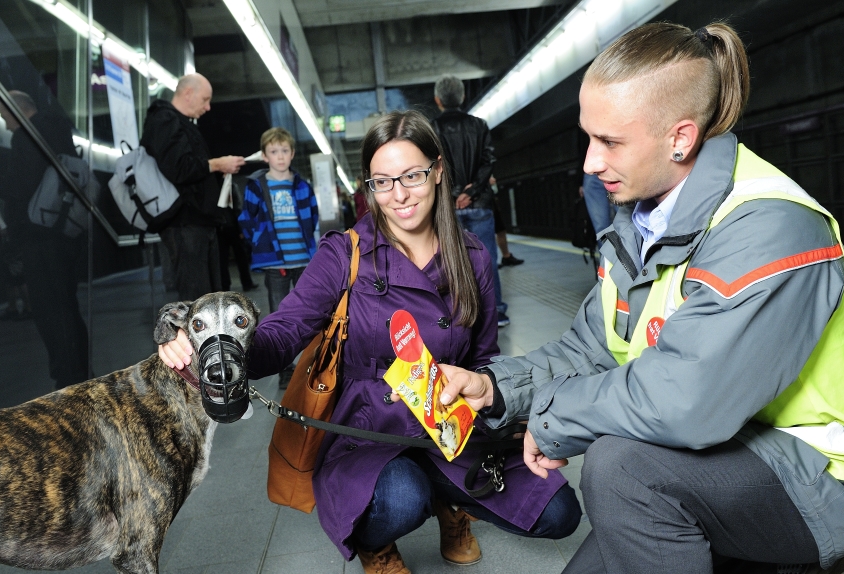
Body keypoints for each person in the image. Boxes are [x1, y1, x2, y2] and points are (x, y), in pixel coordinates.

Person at [439, 22, 844, 574]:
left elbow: (689, 398)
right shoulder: (640, 223)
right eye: (588, 138)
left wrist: (554, 418)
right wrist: (495, 389)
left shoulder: (770, 227)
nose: (589, 162)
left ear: (680, 138)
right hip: (722, 454)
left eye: (609, 142)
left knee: (620, 466)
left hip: (819, 475)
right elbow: (592, 350)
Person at [159, 111, 580, 574]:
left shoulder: (473, 257)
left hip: (447, 423)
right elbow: (284, 332)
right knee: (401, 499)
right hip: (368, 428)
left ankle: (451, 506)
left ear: (438, 171)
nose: (398, 195)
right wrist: (217, 346)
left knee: (558, 513)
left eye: (412, 176)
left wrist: (488, 397)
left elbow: (484, 357)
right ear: (368, 188)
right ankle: (377, 545)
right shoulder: (345, 253)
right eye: (382, 182)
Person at [0, 91, 90, 388]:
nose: (6, 125)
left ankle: (67, 377)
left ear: (17, 111)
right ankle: (78, 370)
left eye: (4, 117)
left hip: (39, 234)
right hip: (62, 230)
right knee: (66, 304)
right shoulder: (58, 133)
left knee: (49, 308)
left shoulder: (28, 137)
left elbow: (22, 183)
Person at [140, 73, 245, 301]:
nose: (208, 107)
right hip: (185, 222)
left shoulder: (181, 123)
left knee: (210, 297)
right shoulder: (164, 120)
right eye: (205, 99)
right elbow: (178, 168)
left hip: (199, 221)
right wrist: (217, 164)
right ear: (188, 93)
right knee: (197, 299)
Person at [238, 127, 319, 389]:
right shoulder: (256, 186)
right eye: (274, 151)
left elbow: (313, 216)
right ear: (265, 156)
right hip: (275, 262)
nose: (280, 156)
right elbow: (247, 218)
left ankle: (316, 362)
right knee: (279, 315)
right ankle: (285, 368)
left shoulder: (302, 185)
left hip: (303, 259)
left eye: (285, 151)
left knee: (313, 310)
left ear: (292, 153)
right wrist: (258, 240)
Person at [432, 75, 509, 327]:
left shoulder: (432, 127)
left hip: (448, 208)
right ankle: (496, 312)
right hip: (480, 205)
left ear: (438, 100)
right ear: (463, 97)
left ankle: (461, 315)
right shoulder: (479, 125)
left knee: (452, 261)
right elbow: (489, 161)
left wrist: (453, 194)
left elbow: (433, 165)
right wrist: (472, 191)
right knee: (486, 259)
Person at [490, 176, 523, 268]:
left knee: (501, 230)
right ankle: (490, 261)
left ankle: (506, 256)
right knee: (486, 233)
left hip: (490, 198)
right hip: (482, 201)